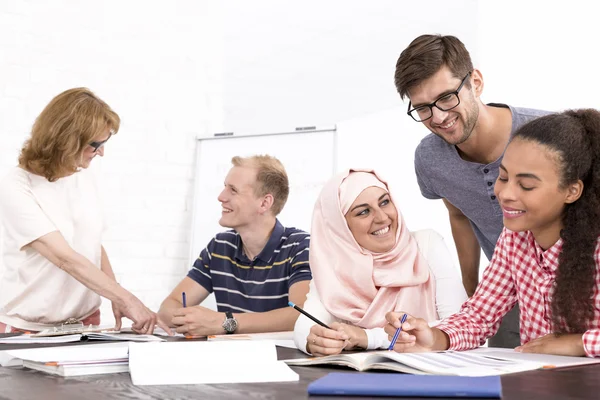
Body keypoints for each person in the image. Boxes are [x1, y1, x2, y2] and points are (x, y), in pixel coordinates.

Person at [384, 109, 600, 357]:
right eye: (503, 177)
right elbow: (479, 316)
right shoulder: (515, 239)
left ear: (572, 191)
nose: (506, 194)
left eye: (526, 185)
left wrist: (579, 343)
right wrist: (433, 337)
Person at [394, 34, 550, 348]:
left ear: (475, 82)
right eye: (422, 108)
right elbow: (460, 215)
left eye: (447, 97)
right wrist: (470, 289)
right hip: (506, 290)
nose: (438, 117)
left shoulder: (547, 137)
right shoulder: (430, 159)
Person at [0, 88, 170, 334]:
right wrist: (127, 299)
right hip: (28, 328)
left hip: (84, 322)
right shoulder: (15, 186)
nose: (101, 152)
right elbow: (63, 257)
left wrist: (114, 293)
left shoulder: (82, 175)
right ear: (67, 140)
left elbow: (91, 245)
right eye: (96, 144)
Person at [293, 169, 467, 355]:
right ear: (340, 227)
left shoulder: (427, 244)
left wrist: (368, 338)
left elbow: (458, 324)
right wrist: (314, 341)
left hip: (435, 377)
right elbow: (305, 325)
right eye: (363, 212)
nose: (382, 217)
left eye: (384, 202)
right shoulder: (333, 268)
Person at [158, 155, 311, 336]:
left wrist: (225, 322)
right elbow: (169, 307)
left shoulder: (301, 246)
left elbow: (301, 314)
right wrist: (191, 319)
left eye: (233, 190)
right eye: (225, 187)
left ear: (264, 203)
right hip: (228, 358)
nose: (221, 197)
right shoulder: (219, 247)